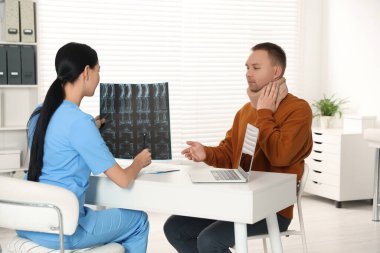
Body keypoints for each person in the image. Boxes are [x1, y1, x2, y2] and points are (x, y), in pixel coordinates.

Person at [163, 42, 313, 253]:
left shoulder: (298, 110)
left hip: (272, 208)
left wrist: (264, 112)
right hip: (237, 199)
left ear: (276, 71)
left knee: (209, 240)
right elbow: (229, 153)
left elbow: (280, 156)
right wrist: (206, 152)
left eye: (256, 67)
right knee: (175, 228)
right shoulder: (245, 111)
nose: (248, 73)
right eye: (247, 67)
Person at [17, 42, 152, 253]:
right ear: (87, 72)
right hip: (63, 230)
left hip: (30, 223)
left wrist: (92, 129)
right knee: (138, 221)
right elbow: (124, 180)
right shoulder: (80, 123)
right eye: (99, 70)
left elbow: (58, 148)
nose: (99, 77)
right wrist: (139, 162)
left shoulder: (39, 114)